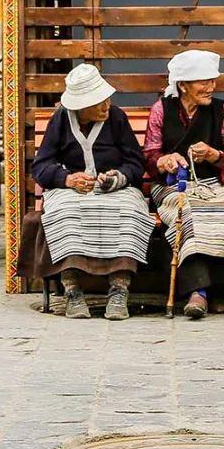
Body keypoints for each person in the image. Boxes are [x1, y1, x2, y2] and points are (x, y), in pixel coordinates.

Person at [29, 64, 153, 320]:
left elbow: (136, 163)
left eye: (106, 99)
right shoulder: (61, 120)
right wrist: (67, 179)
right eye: (98, 102)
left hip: (115, 189)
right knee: (66, 212)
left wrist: (118, 177)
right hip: (72, 191)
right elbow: (41, 167)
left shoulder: (117, 118)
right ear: (79, 106)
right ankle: (72, 289)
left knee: (129, 211)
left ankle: (119, 289)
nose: (106, 106)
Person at [143, 50, 224, 319]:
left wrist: (215, 155)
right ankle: (199, 292)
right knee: (189, 213)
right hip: (175, 186)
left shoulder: (220, 110)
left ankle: (220, 289)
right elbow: (149, 156)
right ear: (183, 85)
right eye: (203, 81)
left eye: (212, 81)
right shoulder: (162, 109)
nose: (210, 87)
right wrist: (165, 160)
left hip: (215, 183)